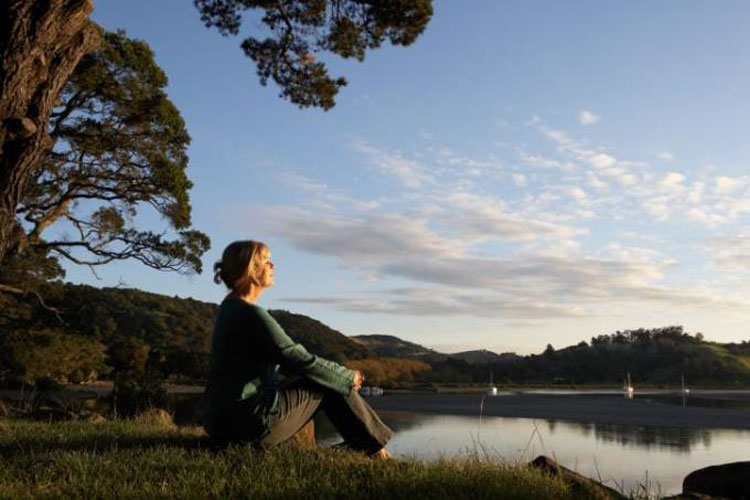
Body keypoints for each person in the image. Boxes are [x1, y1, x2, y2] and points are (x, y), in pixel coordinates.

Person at [203, 239, 393, 457]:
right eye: (266, 260)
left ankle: (370, 446)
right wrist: (348, 376)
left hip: (221, 423)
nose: (273, 265)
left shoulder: (229, 309)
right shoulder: (251, 314)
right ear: (250, 269)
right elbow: (299, 359)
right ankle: (375, 450)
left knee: (324, 376)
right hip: (247, 426)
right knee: (327, 380)